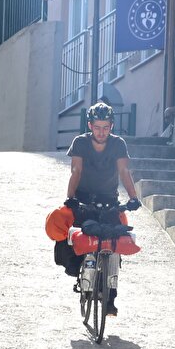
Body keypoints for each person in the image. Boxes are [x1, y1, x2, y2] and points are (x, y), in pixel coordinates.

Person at [62, 101, 140, 316]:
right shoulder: (80, 142)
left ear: (111, 126)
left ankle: (110, 298)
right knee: (80, 238)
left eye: (106, 127)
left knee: (114, 245)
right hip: (84, 199)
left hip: (109, 200)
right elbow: (76, 170)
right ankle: (81, 272)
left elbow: (124, 172)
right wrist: (70, 198)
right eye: (97, 127)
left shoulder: (118, 144)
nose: (101, 132)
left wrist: (133, 198)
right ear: (90, 125)